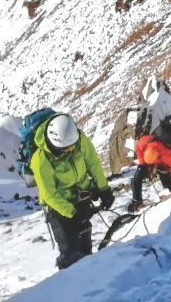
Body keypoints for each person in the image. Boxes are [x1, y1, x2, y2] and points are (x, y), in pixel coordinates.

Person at [29, 113, 112, 269]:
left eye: (72, 146)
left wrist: (103, 189)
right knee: (69, 250)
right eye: (66, 148)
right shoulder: (40, 160)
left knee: (85, 238)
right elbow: (49, 194)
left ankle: (90, 273)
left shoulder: (78, 139)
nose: (71, 150)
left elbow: (93, 163)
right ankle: (68, 276)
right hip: (58, 208)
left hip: (80, 196)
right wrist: (72, 213)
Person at [129, 133, 171, 210]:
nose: (153, 169)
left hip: (162, 162)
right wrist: (142, 163)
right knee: (137, 178)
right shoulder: (143, 143)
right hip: (146, 160)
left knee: (165, 178)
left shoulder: (167, 156)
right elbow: (138, 147)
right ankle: (137, 201)